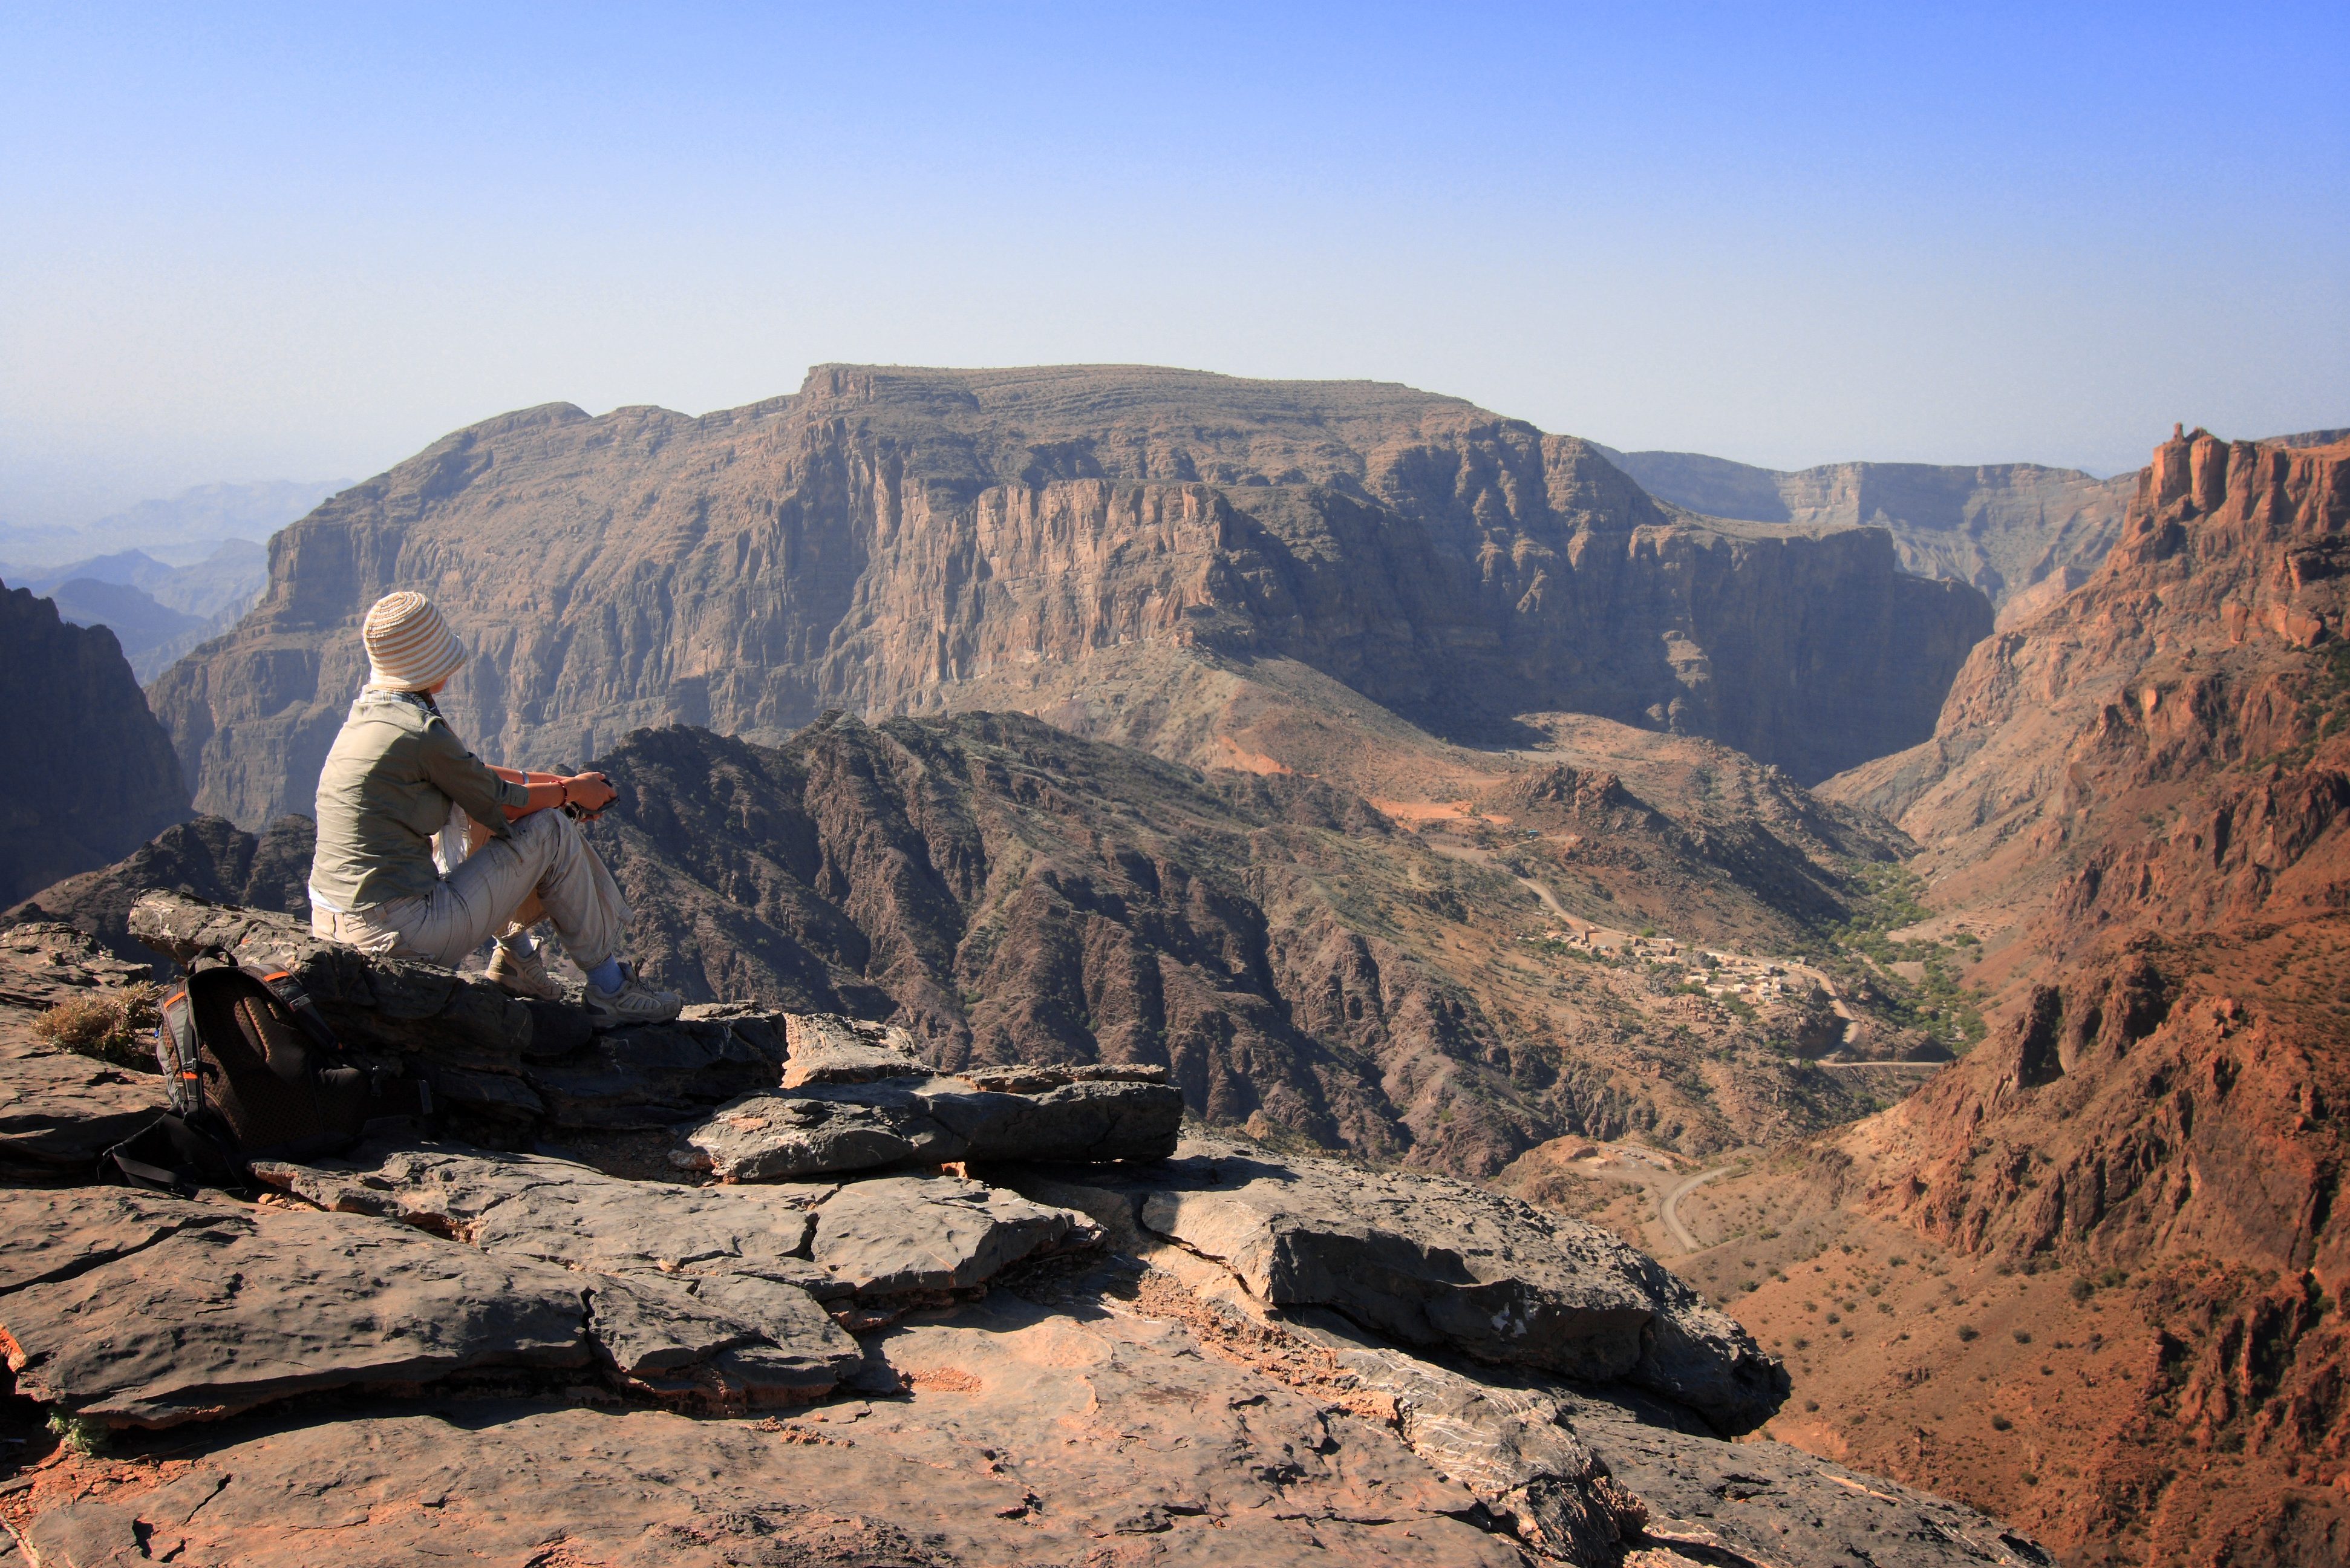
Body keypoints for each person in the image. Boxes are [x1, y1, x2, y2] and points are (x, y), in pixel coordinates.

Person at [306, 590, 682, 1028]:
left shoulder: (371, 716)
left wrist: (570, 787)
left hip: (336, 925)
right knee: (549, 830)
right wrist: (567, 798)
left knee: (489, 819)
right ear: (433, 662)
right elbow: (499, 798)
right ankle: (610, 989)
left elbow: (478, 776)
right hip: (399, 937)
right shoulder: (418, 731)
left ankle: (516, 962)